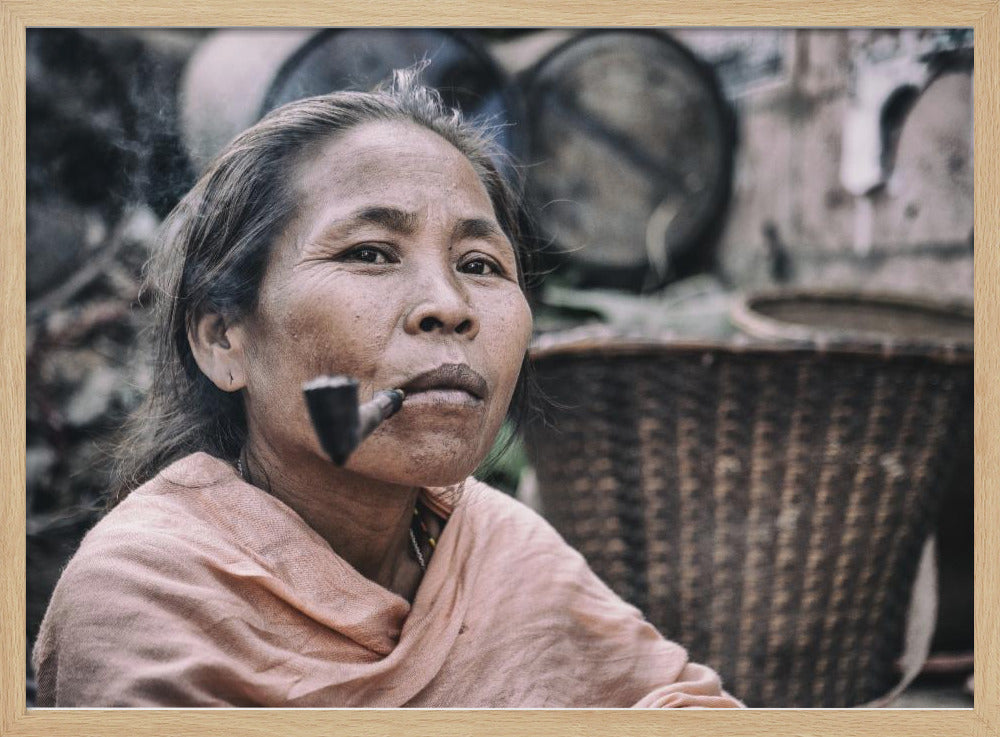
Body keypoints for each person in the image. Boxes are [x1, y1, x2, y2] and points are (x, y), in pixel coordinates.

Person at [32, 69, 743, 708]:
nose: (450, 304)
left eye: (481, 262)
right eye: (369, 253)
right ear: (225, 339)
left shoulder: (496, 546)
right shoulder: (147, 595)